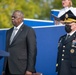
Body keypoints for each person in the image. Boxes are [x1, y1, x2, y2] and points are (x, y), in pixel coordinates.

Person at [2, 10, 37, 75]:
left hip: (21, 69)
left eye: (14, 17)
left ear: (20, 18)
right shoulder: (9, 32)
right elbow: (7, 50)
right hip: (8, 69)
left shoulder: (28, 30)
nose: (12, 19)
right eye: (12, 17)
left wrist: (30, 69)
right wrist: (4, 69)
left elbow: (32, 51)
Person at [56, 10, 76, 75]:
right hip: (61, 70)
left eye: (69, 23)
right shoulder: (62, 38)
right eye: (66, 23)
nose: (67, 25)